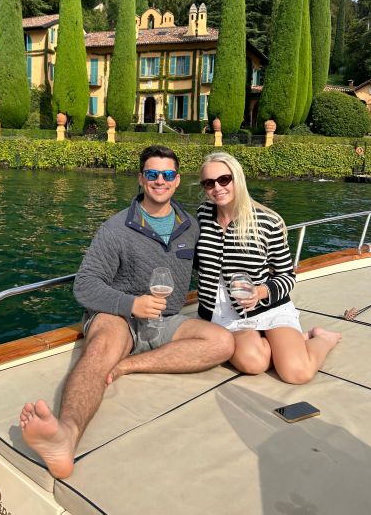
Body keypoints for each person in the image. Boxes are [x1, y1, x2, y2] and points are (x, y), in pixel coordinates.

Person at [20, 145, 235, 478]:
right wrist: (130, 304)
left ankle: (127, 365)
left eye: (167, 175)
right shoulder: (116, 229)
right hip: (118, 317)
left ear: (177, 181)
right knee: (103, 346)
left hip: (164, 322)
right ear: (141, 179)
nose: (159, 181)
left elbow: (224, 240)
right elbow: (85, 285)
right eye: (152, 174)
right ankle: (66, 435)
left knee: (222, 342)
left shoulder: (191, 226)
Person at [196, 151, 341, 385]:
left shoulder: (267, 221)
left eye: (224, 179)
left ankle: (323, 338)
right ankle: (285, 344)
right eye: (209, 183)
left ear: (237, 179)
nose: (217, 188)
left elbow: (287, 276)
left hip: (268, 309)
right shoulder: (203, 215)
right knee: (254, 364)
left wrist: (260, 293)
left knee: (297, 373)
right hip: (224, 314)